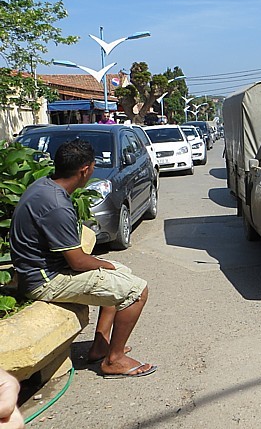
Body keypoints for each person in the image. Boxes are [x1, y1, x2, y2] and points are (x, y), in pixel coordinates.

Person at [9, 140, 156, 379]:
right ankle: (114, 360)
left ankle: (101, 345)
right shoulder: (56, 204)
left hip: (43, 270)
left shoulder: (44, 186)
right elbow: (77, 261)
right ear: (85, 170)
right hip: (46, 281)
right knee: (138, 291)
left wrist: (107, 268)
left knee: (121, 273)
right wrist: (104, 264)